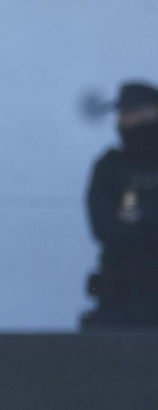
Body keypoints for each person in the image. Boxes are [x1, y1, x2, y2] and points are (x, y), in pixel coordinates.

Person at [83, 81, 158, 329]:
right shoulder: (111, 166)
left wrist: (136, 218)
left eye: (133, 114)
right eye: (123, 115)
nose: (124, 122)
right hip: (121, 301)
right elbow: (104, 227)